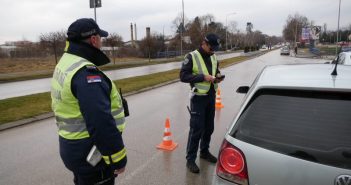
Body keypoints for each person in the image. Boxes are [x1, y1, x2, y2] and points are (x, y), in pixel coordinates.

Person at [51, 18, 127, 185]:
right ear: (93, 39)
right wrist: (118, 159)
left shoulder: (65, 63)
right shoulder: (86, 74)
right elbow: (101, 122)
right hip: (92, 154)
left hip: (72, 148)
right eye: (101, 38)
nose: (101, 42)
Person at [180, 33, 224, 173]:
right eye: (212, 48)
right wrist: (202, 77)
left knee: (209, 127)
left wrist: (217, 77)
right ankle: (190, 159)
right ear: (204, 43)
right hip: (198, 97)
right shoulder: (191, 56)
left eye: (215, 48)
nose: (213, 51)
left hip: (211, 95)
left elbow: (215, 70)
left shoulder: (214, 56)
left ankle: (204, 152)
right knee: (196, 129)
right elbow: (183, 76)